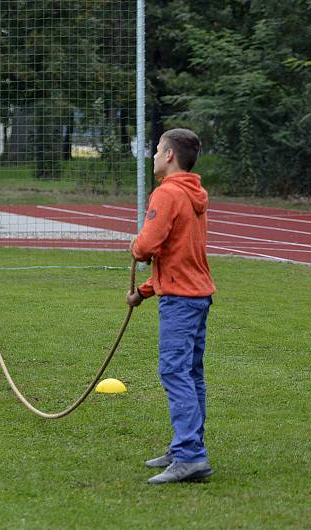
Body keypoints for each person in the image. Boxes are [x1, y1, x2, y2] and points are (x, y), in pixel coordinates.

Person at [126, 128, 216, 484]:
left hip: (181, 302)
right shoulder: (194, 194)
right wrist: (145, 291)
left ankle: (191, 455)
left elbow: (147, 246)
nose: (152, 156)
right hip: (196, 296)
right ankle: (185, 447)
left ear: (168, 156)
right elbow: (179, 256)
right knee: (190, 374)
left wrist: (135, 246)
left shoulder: (167, 194)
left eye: (156, 150)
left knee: (175, 372)